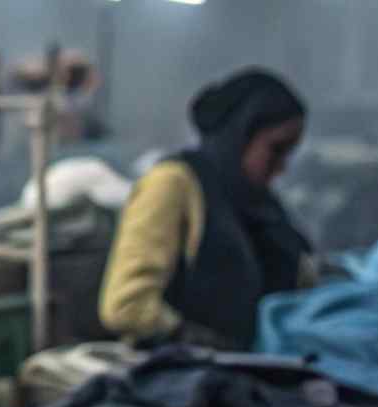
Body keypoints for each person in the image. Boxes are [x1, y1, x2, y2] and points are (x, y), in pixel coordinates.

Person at [100, 68, 314, 351]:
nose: (282, 167)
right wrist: (185, 335)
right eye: (276, 149)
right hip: (178, 369)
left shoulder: (257, 206)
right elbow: (126, 304)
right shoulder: (172, 184)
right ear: (239, 134)